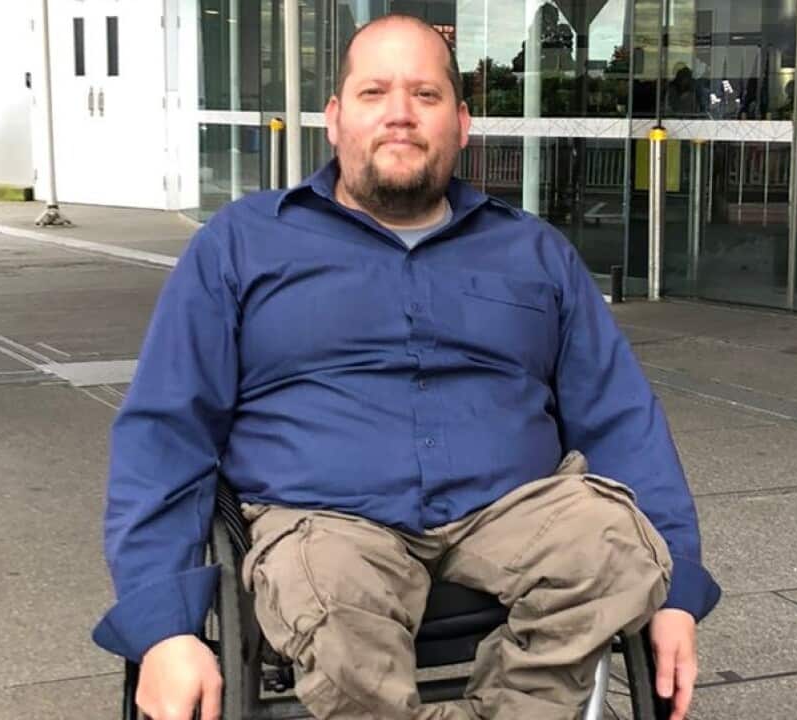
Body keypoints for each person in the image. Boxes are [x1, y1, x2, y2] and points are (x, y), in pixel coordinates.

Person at [93, 14, 721, 720]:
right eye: (374, 93)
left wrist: (676, 595)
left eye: (425, 95)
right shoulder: (242, 245)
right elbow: (167, 427)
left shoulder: (533, 253)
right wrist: (166, 628)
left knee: (614, 547)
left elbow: (620, 416)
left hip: (511, 510)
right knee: (331, 597)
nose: (399, 114)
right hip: (327, 520)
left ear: (461, 122)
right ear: (334, 119)